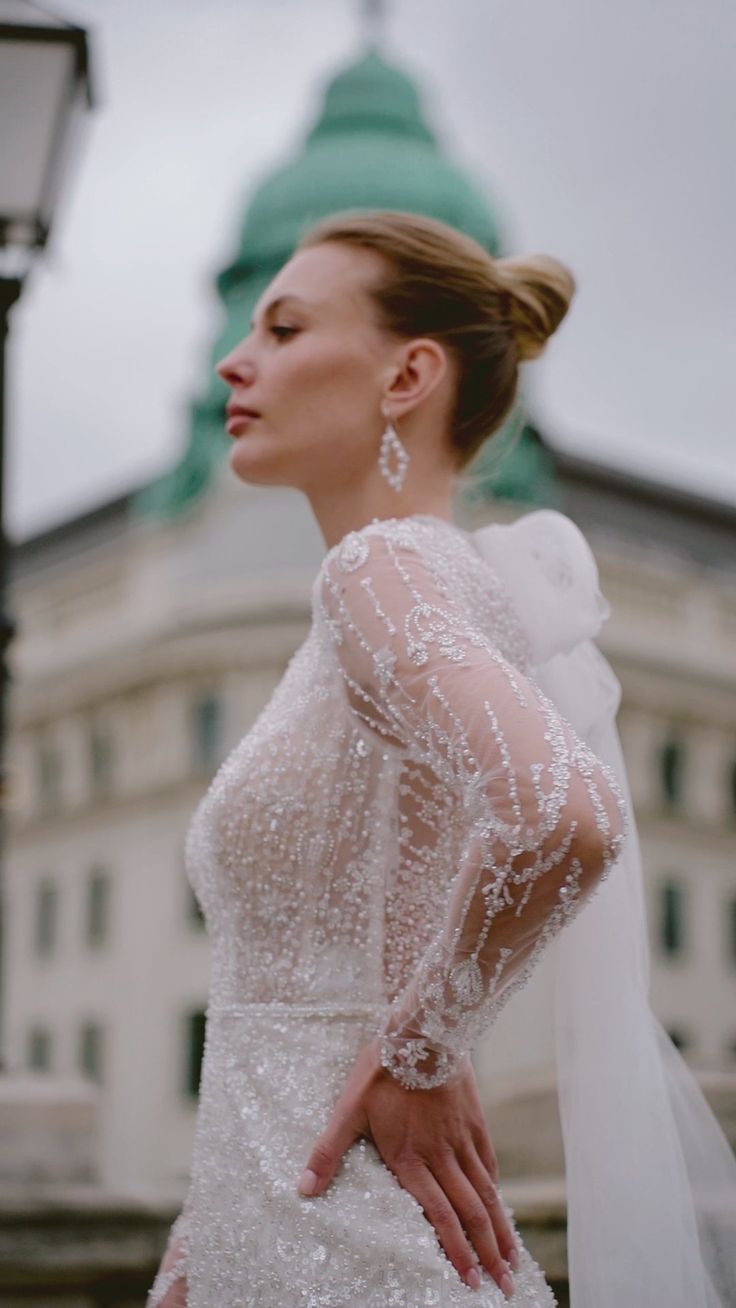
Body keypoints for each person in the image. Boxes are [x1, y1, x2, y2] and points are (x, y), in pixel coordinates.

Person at [147, 211, 736, 1308]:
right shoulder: (415, 588)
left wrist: (418, 1052)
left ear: (408, 373)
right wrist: (206, 1235)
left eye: (282, 328)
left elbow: (563, 813)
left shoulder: (379, 572)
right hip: (285, 1230)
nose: (236, 358)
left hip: (357, 1246)